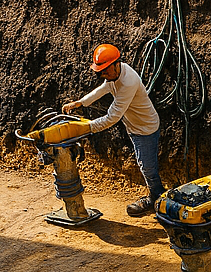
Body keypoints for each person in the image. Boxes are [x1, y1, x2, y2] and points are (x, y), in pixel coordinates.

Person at [63, 43, 164, 217]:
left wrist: (85, 128)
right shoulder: (115, 75)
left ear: (117, 63)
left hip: (145, 128)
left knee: (147, 167)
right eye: (100, 72)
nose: (103, 74)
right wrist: (80, 102)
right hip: (134, 126)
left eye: (106, 70)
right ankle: (157, 197)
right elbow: (104, 88)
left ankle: (158, 198)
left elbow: (112, 118)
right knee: (145, 165)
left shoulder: (128, 82)